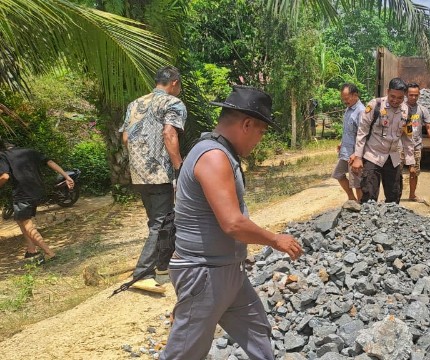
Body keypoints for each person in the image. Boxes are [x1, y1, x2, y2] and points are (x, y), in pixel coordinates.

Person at [162, 85, 303, 359]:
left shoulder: (224, 154)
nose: (260, 140)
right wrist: (275, 239)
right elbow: (233, 224)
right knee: (185, 352)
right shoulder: (213, 156)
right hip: (203, 273)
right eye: (261, 132)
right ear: (247, 124)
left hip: (228, 271)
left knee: (256, 331)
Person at [119, 65, 186, 294]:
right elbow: (169, 133)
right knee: (161, 223)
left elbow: (126, 137)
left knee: (156, 221)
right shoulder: (172, 103)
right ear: (174, 82)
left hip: (138, 174)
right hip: (159, 173)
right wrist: (179, 167)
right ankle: (143, 273)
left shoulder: (135, 104)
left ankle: (163, 265)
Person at [0, 141, 74, 263]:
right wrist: (67, 176)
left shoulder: (3, 155)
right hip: (38, 190)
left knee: (27, 224)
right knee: (20, 219)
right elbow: (49, 162)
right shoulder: (29, 151)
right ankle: (31, 249)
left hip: (23, 193)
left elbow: (5, 177)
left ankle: (49, 253)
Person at [350, 77, 416, 204]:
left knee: (394, 196)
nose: (396, 100)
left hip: (393, 158)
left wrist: (411, 162)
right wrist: (358, 157)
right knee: (369, 196)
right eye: (393, 96)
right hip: (373, 155)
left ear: (405, 96)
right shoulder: (375, 105)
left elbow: (407, 138)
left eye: (400, 98)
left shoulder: (406, 111)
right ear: (387, 91)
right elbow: (362, 132)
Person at [402, 82, 430, 202]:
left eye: (416, 95)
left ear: (419, 95)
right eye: (411, 95)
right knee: (396, 172)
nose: (413, 97)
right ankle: (394, 196)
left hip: (416, 146)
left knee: (414, 172)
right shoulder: (400, 108)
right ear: (406, 94)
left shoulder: (422, 110)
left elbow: (428, 126)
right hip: (400, 146)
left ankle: (412, 195)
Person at [332, 83, 364, 203]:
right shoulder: (348, 109)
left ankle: (361, 207)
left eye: (347, 98)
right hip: (346, 151)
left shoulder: (361, 111)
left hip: (354, 154)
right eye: (343, 98)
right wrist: (342, 143)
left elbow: (363, 135)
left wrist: (356, 153)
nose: (345, 101)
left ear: (355, 95)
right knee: (338, 173)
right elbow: (348, 130)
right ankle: (352, 199)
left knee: (356, 183)